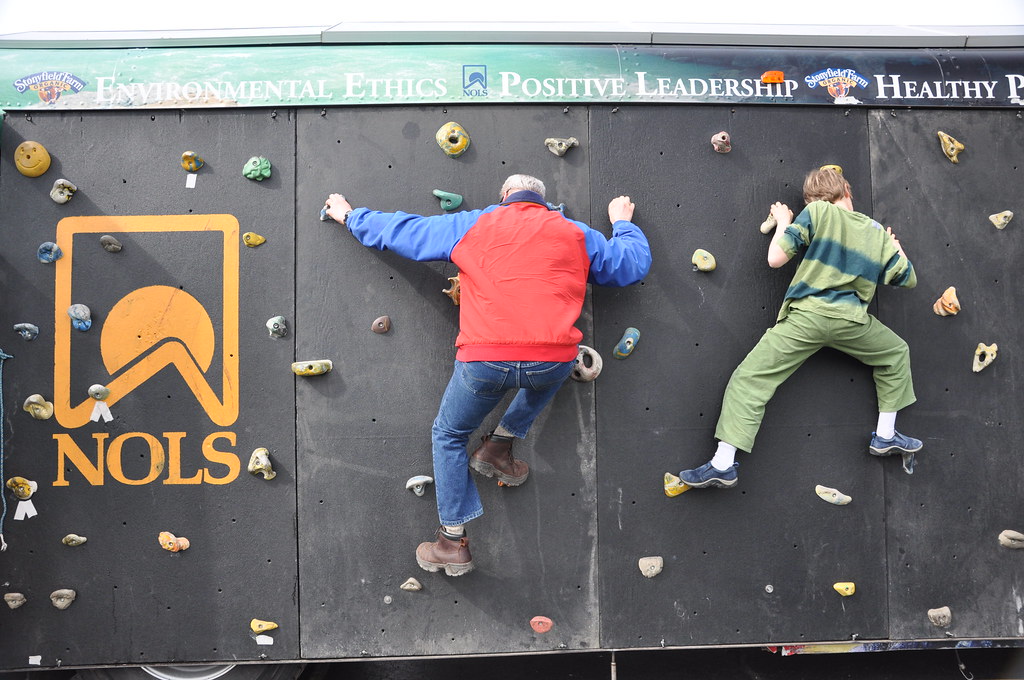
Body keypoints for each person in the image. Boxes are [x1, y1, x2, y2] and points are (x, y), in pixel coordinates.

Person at [324, 174, 651, 575]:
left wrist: (349, 215)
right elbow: (631, 265)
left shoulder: (473, 223)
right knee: (560, 362)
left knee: (449, 435)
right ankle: (501, 444)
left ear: (503, 197)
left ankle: (451, 541)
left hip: (486, 361)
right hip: (551, 360)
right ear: (542, 202)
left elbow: (403, 232)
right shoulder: (576, 233)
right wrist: (622, 223)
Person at [677, 166, 920, 489]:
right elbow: (908, 279)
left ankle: (723, 463)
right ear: (847, 191)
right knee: (895, 352)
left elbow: (776, 258)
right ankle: (886, 434)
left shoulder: (817, 212)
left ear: (813, 199)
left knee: (751, 379)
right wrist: (894, 246)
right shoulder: (875, 231)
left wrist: (783, 223)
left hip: (807, 317)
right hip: (852, 322)